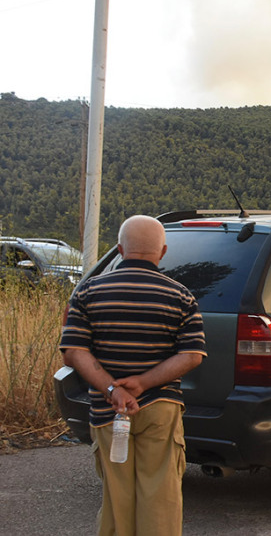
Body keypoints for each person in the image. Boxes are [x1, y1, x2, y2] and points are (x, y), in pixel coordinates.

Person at [59, 215, 206, 536]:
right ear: (163, 251)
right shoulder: (181, 296)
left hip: (108, 411)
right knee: (161, 498)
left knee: (117, 499)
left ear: (120, 249)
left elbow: (73, 352)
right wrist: (143, 383)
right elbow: (192, 355)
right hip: (160, 409)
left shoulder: (88, 293)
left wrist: (113, 389)